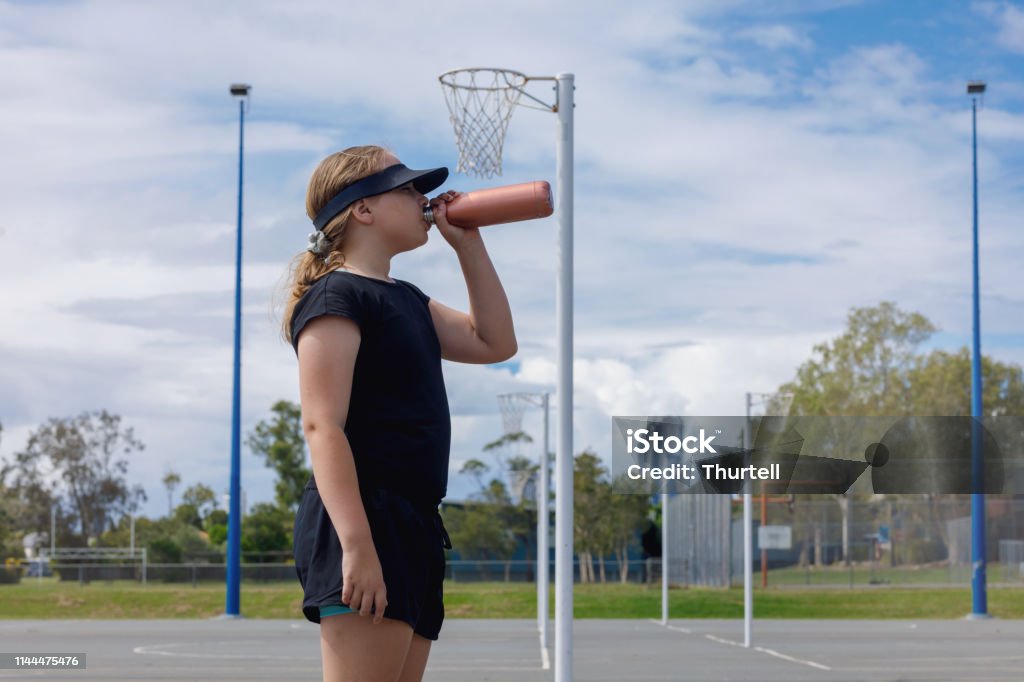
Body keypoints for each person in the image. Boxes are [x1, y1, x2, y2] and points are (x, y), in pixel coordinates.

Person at [281, 144, 517, 682]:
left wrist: (469, 247)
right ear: (363, 209)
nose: (424, 198)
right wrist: (358, 547)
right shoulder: (335, 297)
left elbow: (495, 342)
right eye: (408, 188)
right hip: (362, 520)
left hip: (414, 523)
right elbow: (323, 426)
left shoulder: (407, 297)